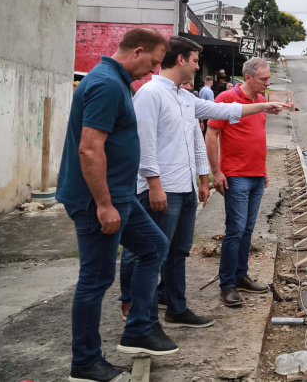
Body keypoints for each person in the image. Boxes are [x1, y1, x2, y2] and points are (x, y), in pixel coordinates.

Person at [119, 37, 287, 330]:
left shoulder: (184, 97)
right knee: (154, 252)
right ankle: (138, 317)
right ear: (181, 60)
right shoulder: (150, 94)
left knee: (178, 252)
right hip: (163, 188)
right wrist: (154, 184)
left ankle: (175, 308)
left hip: (183, 187)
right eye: (196, 60)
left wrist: (202, 179)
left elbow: (217, 121)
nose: (199, 67)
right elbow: (143, 144)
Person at [56, 28, 175, 382]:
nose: (152, 72)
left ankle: (139, 328)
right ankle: (86, 363)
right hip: (100, 200)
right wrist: (104, 205)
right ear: (137, 52)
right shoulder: (107, 84)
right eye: (152, 63)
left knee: (155, 246)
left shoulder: (117, 81)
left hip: (120, 195)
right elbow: (89, 148)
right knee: (95, 279)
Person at [206, 57, 277, 307]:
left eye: (268, 79)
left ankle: (240, 275)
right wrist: (216, 172)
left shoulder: (260, 103)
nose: (267, 84)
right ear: (248, 78)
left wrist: (263, 170)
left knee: (247, 229)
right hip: (235, 176)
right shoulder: (226, 100)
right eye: (263, 79)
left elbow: (257, 138)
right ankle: (227, 285)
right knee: (234, 231)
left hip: (256, 176)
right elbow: (211, 133)